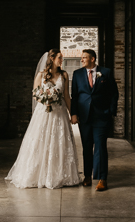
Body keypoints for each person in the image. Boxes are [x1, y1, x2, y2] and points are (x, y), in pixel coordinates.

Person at [5, 49, 81, 189]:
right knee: (40, 142)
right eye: (59, 58)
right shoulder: (41, 75)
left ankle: (60, 175)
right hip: (44, 113)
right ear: (52, 58)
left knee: (59, 142)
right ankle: (38, 174)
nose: (61, 60)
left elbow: (66, 96)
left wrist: (73, 114)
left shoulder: (64, 75)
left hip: (59, 113)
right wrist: (44, 100)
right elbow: (35, 94)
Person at [70, 49, 119, 191]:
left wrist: (110, 111)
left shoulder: (106, 72)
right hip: (84, 117)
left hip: (102, 116)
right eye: (82, 57)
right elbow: (75, 96)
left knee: (100, 146)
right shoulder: (77, 74)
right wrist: (74, 114)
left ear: (93, 59)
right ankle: (87, 176)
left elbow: (114, 94)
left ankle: (102, 179)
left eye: (85, 57)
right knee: (86, 147)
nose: (82, 60)